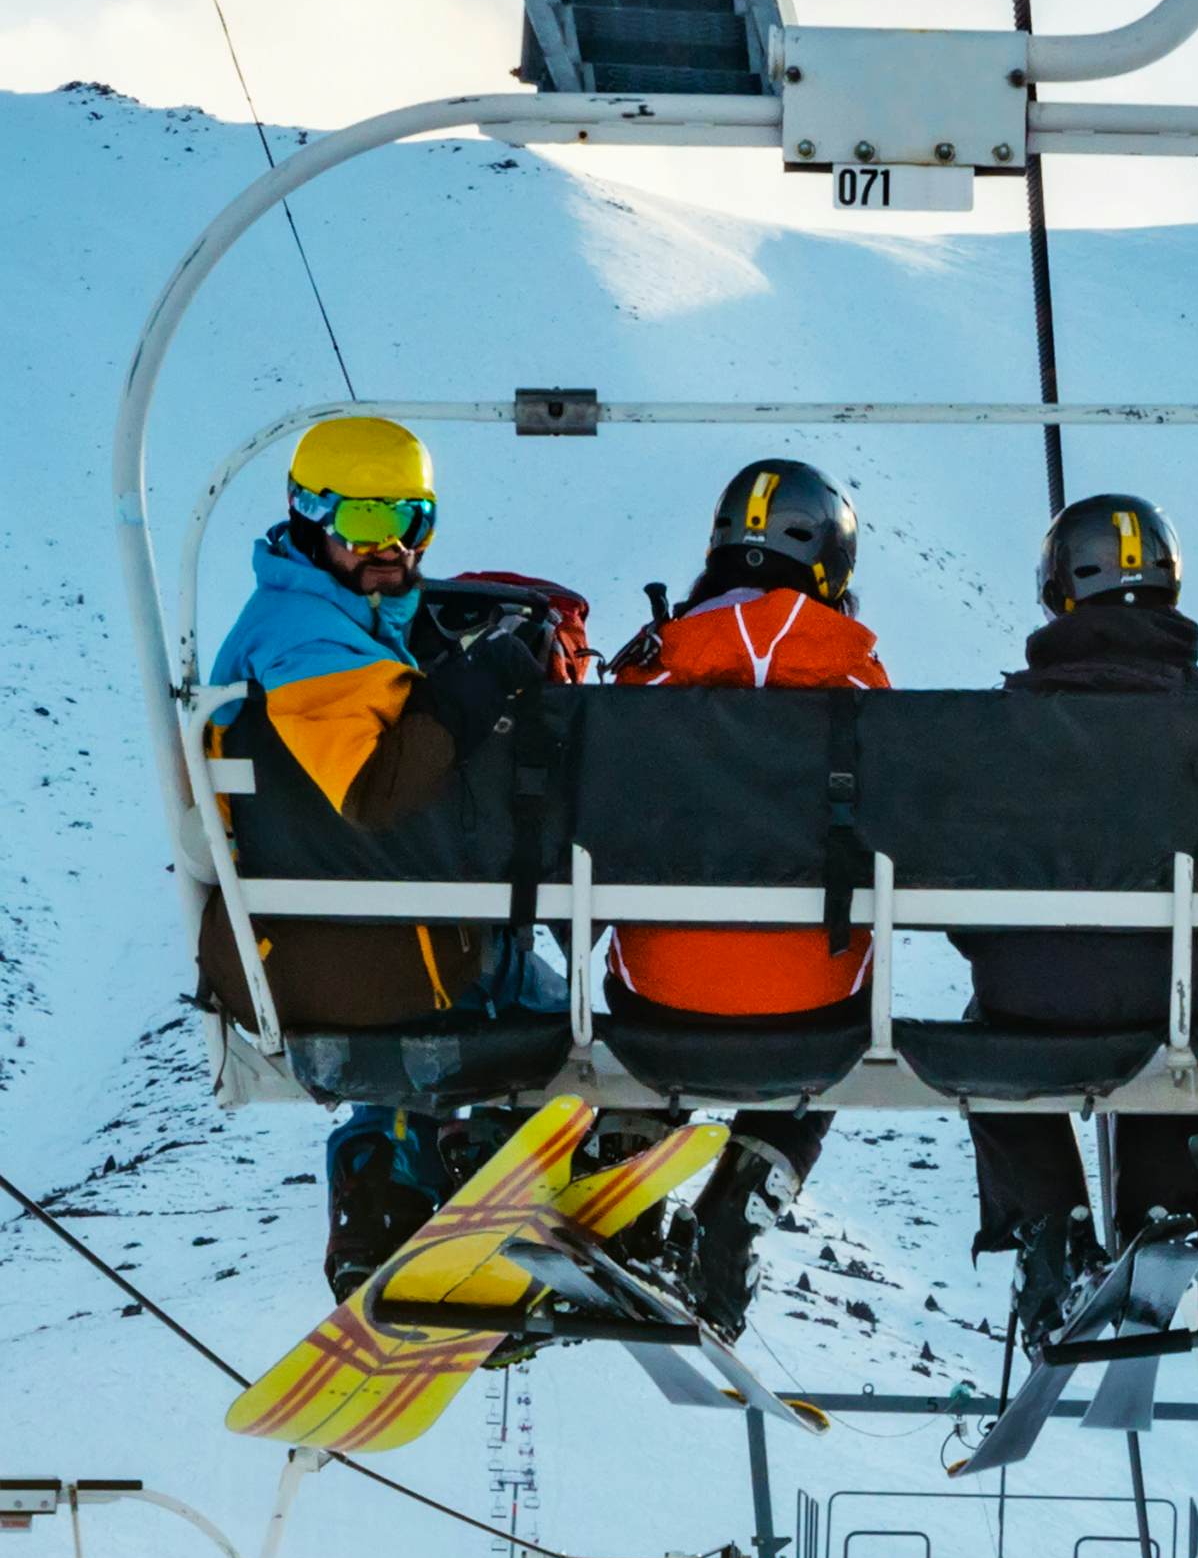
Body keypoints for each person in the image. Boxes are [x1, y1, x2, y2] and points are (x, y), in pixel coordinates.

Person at [202, 415, 578, 1289]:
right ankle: (484, 1170)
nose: (391, 548)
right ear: (308, 514)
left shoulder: (323, 621)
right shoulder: (305, 639)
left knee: (425, 991)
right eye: (364, 523)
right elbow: (375, 789)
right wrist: (479, 685)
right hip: (372, 960)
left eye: (410, 522)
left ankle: (383, 1181)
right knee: (594, 1034)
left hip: (324, 949)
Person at [954, 494, 1198, 1342]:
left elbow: (956, 889)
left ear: (1060, 594)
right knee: (1165, 1025)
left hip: (1035, 997)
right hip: (1195, 994)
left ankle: (1050, 1227)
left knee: (992, 1029)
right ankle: (1163, 1214)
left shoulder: (1001, 728)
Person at [604, 463, 886, 1328]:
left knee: (667, 971)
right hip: (814, 1010)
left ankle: (629, 1165)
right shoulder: (863, 685)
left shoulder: (648, 676)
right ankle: (739, 1206)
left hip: (659, 1002)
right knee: (830, 1026)